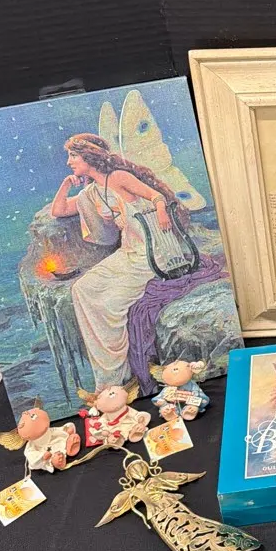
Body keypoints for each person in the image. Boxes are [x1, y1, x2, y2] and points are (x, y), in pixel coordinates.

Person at [50, 133, 189, 389]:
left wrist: (161, 212)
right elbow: (58, 211)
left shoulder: (119, 177)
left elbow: (157, 196)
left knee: (110, 303)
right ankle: (108, 372)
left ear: (89, 156)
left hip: (151, 253)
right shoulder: (92, 192)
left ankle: (117, 375)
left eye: (73, 156)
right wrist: (66, 184)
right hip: (128, 252)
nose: (69, 162)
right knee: (81, 288)